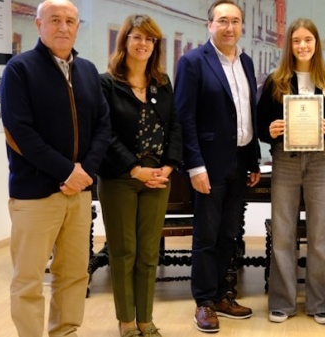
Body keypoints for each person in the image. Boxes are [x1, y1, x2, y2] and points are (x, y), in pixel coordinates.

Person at [0, 1, 111, 336]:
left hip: (78, 194)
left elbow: (103, 126)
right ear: (39, 24)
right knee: (29, 279)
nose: (63, 27)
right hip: (35, 195)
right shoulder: (19, 70)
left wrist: (85, 172)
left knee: (75, 273)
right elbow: (20, 131)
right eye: (55, 20)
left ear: (78, 26)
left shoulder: (89, 70)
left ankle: (65, 331)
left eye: (70, 21)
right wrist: (66, 172)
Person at [174, 0, 261, 333]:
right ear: (209, 24)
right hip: (208, 166)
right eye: (222, 21)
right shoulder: (194, 62)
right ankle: (204, 303)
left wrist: (253, 158)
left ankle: (225, 296)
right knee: (206, 236)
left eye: (235, 21)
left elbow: (246, 116)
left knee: (230, 233)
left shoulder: (247, 62)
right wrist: (194, 165)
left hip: (239, 164)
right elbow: (185, 117)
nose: (229, 27)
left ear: (242, 27)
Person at [257, 18, 325, 326]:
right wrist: (269, 130)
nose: (302, 45)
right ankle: (283, 302)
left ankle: (322, 301)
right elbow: (261, 127)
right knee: (283, 234)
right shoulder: (276, 80)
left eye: (308, 40)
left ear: (316, 43)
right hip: (285, 159)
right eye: (297, 40)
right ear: (289, 45)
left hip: (321, 161)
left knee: (322, 233)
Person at [98, 14, 183, 337]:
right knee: (123, 252)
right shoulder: (107, 83)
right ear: (125, 41)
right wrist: (135, 169)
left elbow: (174, 126)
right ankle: (126, 321)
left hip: (158, 178)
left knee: (148, 253)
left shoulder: (162, 83)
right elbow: (104, 132)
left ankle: (145, 319)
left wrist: (169, 166)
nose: (143, 43)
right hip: (121, 177)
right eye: (137, 37)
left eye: (150, 39)